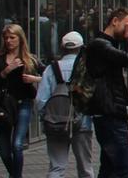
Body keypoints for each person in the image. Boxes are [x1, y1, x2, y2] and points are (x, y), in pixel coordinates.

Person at [86, 9, 128, 178]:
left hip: (111, 111)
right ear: (115, 21)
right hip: (109, 112)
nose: (127, 30)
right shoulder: (100, 45)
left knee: (109, 166)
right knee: (123, 168)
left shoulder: (107, 44)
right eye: (127, 25)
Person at [36, 31, 94, 178]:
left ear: (62, 48)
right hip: (82, 122)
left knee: (57, 167)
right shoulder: (87, 68)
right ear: (81, 48)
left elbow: (41, 100)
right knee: (85, 167)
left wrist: (46, 117)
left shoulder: (51, 69)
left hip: (55, 122)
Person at [0, 24, 40, 178]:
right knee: (4, 153)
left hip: (23, 104)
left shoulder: (30, 58)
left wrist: (34, 79)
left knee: (17, 145)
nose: (8, 41)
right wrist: (5, 71)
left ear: (20, 39)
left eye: (12, 37)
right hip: (2, 106)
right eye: (6, 38)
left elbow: (49, 75)